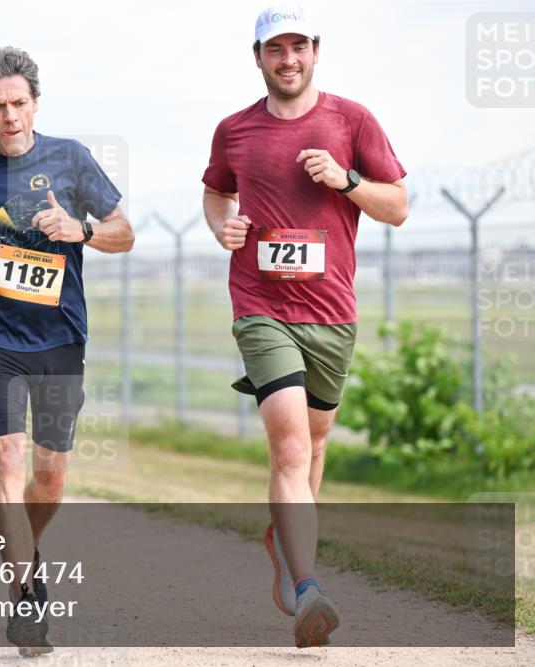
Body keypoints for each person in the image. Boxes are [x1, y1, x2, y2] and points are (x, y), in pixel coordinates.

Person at [202, 5, 408, 649]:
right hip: (261, 305)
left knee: (313, 449)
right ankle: (308, 588)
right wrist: (221, 226)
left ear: (315, 51)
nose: (287, 59)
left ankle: (285, 550)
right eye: (274, 49)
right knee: (290, 447)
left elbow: (397, 206)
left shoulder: (352, 120)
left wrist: (346, 180)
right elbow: (216, 192)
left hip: (332, 313)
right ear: (257, 57)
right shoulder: (234, 130)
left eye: (298, 47)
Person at [0, 46, 134, 656]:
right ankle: (25, 599)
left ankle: (26, 546)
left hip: (58, 336)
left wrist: (83, 230)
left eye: (19, 103)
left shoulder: (71, 159)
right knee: (7, 458)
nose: (10, 116)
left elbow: (125, 234)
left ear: (36, 104)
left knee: (50, 477)